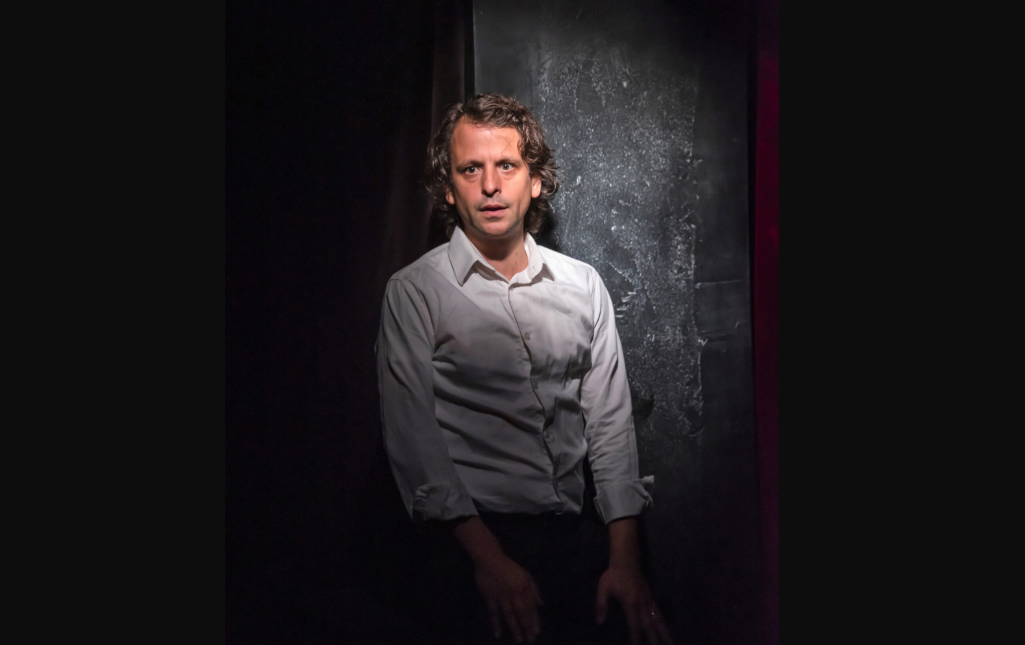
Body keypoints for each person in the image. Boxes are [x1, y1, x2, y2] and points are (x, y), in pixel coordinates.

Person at [376, 93, 673, 645]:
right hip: (469, 550)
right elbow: (413, 440)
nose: (490, 185)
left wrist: (625, 561)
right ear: (448, 187)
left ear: (535, 180)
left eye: (507, 166)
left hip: (579, 543)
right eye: (471, 169)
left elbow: (610, 427)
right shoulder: (415, 291)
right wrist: (487, 561)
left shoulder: (583, 285)